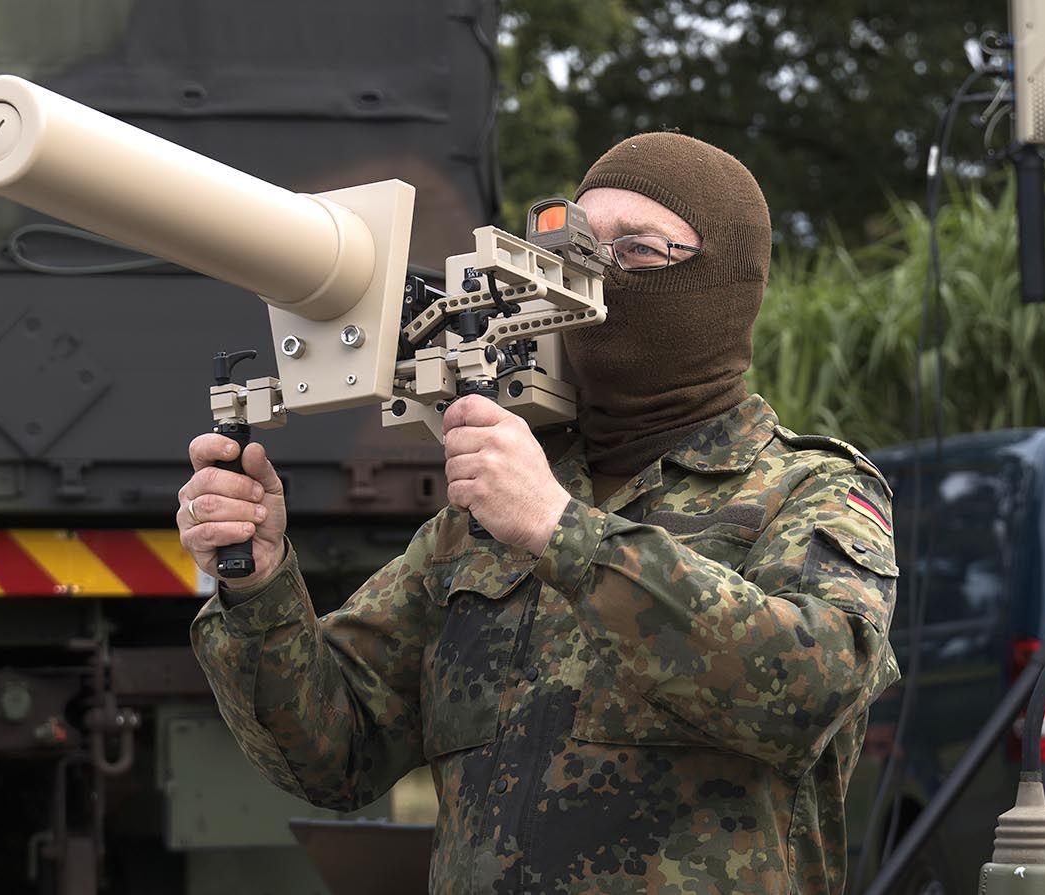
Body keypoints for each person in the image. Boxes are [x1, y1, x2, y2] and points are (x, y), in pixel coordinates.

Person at [179, 132, 900, 894]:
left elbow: (811, 687)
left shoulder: (807, 485)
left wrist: (565, 532)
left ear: (722, 283)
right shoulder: (481, 519)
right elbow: (332, 751)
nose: (593, 277)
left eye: (636, 252)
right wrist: (259, 587)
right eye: (577, 250)